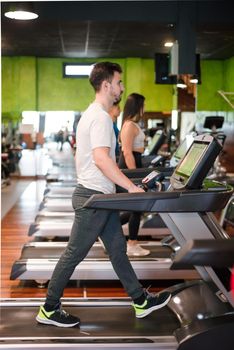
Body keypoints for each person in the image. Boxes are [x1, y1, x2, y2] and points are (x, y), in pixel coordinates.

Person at [36, 62, 171, 328]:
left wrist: (123, 184)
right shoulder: (99, 117)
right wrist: (131, 187)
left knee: (118, 250)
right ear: (107, 84)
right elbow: (100, 159)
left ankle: (140, 300)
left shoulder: (93, 114)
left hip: (100, 196)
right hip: (94, 198)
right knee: (74, 253)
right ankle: (49, 308)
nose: (122, 88)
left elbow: (94, 158)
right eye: (119, 82)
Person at [118, 93, 150, 257]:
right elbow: (127, 152)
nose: (145, 108)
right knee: (137, 208)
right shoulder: (129, 125)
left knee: (136, 208)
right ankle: (132, 243)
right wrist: (134, 177)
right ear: (138, 106)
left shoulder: (131, 124)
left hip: (136, 163)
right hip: (130, 165)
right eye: (143, 105)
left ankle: (107, 230)